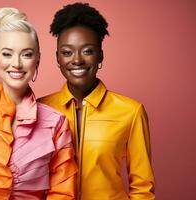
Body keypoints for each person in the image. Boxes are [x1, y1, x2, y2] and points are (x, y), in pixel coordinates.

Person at [0, 7, 77, 200]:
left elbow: (63, 193)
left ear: (37, 60)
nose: (16, 63)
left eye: (26, 54)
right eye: (7, 54)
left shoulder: (57, 123)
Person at [38, 2, 155, 200]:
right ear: (57, 58)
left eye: (87, 51)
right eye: (67, 52)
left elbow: (143, 188)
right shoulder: (40, 109)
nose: (77, 60)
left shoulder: (131, 111)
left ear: (100, 55)